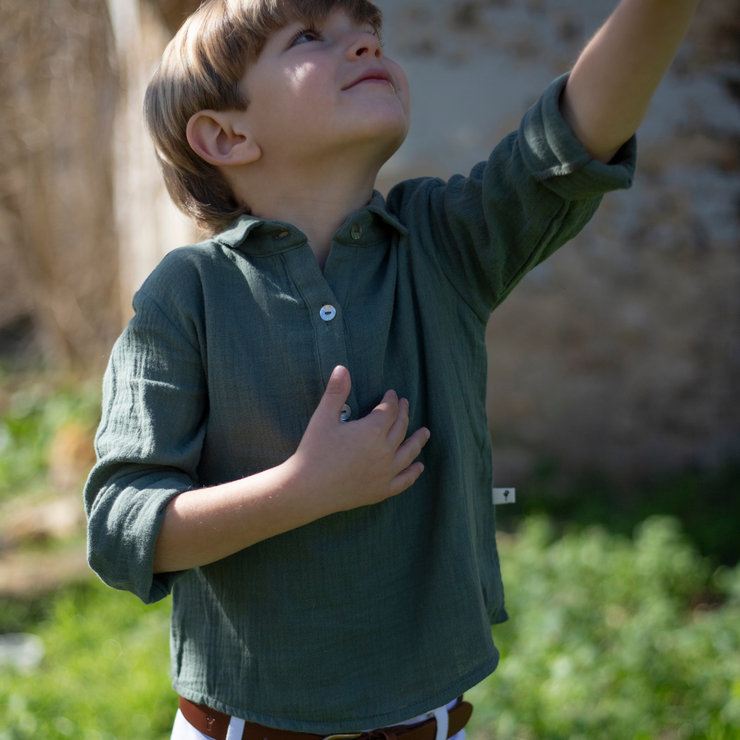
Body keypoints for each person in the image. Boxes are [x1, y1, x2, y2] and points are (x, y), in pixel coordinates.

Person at [84, 0, 700, 738]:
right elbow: (120, 528)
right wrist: (301, 490)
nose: (363, 44)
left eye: (369, 31)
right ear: (226, 134)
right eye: (311, 37)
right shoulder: (184, 295)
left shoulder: (445, 246)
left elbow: (572, 138)